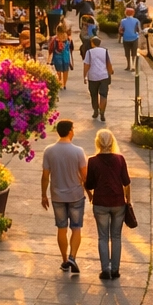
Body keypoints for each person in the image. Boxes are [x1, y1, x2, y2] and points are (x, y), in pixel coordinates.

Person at [41, 120, 89, 274]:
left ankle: (64, 260)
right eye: (73, 129)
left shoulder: (49, 151)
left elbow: (45, 176)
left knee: (61, 229)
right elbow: (84, 176)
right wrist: (89, 191)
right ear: (69, 131)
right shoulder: (78, 151)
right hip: (76, 195)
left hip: (57, 196)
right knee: (76, 228)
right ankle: (72, 257)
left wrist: (43, 195)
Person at [84, 128, 131, 280]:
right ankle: (115, 270)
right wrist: (127, 201)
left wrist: (90, 192)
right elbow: (126, 182)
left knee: (103, 237)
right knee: (116, 237)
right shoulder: (120, 159)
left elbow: (89, 184)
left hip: (101, 203)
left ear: (97, 142)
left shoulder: (92, 161)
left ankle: (105, 269)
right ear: (112, 142)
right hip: (118, 202)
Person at [82, 36, 114, 122]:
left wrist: (84, 76)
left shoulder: (89, 52)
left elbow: (86, 65)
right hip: (104, 76)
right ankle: (102, 112)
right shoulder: (105, 51)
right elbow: (109, 63)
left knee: (94, 94)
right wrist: (110, 72)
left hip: (93, 76)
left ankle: (95, 111)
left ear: (92, 43)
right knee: (103, 95)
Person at [49, 24, 74, 90]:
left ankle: (60, 83)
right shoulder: (68, 39)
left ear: (57, 31)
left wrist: (48, 59)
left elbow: (51, 49)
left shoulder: (54, 39)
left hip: (57, 56)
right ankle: (64, 84)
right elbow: (71, 48)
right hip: (66, 57)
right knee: (65, 71)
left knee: (58, 71)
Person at [119, 7, 142, 71]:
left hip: (126, 38)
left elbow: (120, 30)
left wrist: (123, 34)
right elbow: (139, 30)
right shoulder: (136, 20)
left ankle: (128, 65)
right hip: (134, 38)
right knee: (134, 53)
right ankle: (133, 66)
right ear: (133, 13)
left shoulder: (123, 21)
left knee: (127, 53)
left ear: (125, 13)